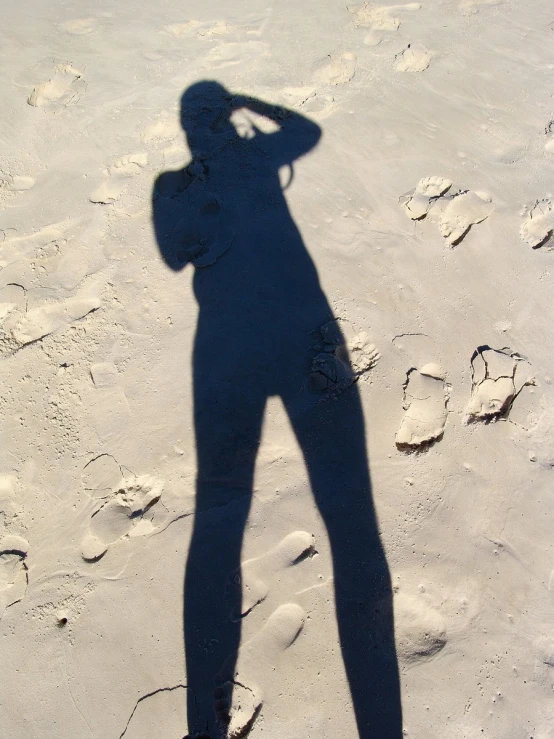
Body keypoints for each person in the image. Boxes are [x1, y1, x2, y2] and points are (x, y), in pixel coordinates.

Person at [152, 80, 402, 739]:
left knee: (239, 516)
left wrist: (243, 114)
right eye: (209, 114)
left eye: (212, 114)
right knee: (323, 519)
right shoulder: (224, 170)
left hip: (237, 342)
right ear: (203, 124)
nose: (212, 125)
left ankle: (208, 727)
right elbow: (177, 247)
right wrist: (248, 110)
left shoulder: (204, 175)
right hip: (287, 329)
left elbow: (178, 250)